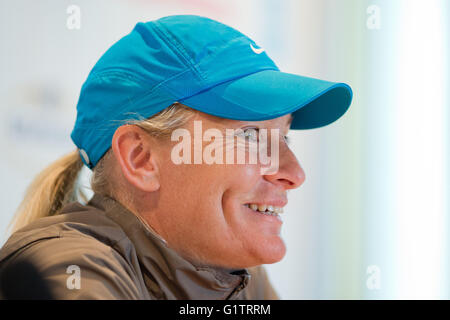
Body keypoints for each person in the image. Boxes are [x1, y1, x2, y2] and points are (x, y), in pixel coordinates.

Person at [0, 15, 352, 299]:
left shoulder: (236, 275)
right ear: (141, 158)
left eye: (284, 136)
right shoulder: (69, 269)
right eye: (251, 134)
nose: (294, 173)